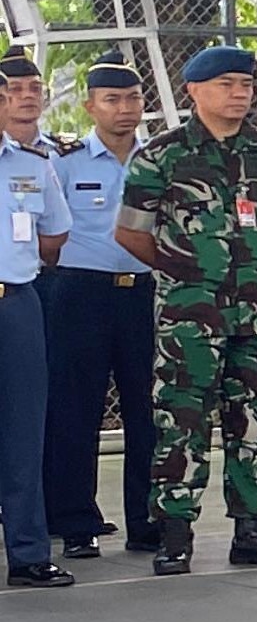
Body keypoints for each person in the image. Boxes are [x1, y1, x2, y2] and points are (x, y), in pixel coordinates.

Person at [117, 42, 257, 576]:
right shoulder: (163, 155)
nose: (240, 94)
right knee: (182, 421)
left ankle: (252, 530)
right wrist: (185, 270)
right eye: (227, 85)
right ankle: (174, 535)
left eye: (246, 86)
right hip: (189, 320)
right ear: (194, 91)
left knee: (254, 420)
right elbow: (132, 232)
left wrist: (253, 260)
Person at [43, 57, 162, 559]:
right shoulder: (63, 161)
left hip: (141, 293)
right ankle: (75, 522)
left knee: (148, 409)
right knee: (75, 409)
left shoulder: (159, 160)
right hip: (80, 293)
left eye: (133, 98)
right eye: (112, 99)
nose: (124, 109)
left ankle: (147, 521)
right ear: (90, 106)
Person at [0, 50, 71, 588]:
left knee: (25, 429)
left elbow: (53, 237)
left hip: (16, 302)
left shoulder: (32, 164)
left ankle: (27, 552)